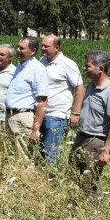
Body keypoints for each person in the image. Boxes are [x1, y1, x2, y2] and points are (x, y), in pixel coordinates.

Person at [70, 50, 110, 199]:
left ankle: (92, 210)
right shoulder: (90, 86)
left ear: (100, 68)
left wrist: (105, 151)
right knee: (72, 174)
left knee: (89, 182)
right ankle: (74, 206)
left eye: (88, 66)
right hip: (81, 136)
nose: (84, 68)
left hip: (95, 141)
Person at [39, 34, 85, 164]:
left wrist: (76, 113)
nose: (43, 48)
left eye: (46, 46)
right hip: (41, 113)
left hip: (56, 115)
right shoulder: (42, 61)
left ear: (57, 48)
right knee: (39, 151)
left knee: (50, 154)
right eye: (42, 45)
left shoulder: (68, 64)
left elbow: (80, 88)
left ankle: (50, 175)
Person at [5, 36, 48, 155]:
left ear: (33, 51)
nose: (18, 50)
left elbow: (43, 101)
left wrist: (35, 129)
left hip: (22, 119)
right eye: (18, 47)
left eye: (22, 48)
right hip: (10, 116)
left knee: (24, 157)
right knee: (12, 156)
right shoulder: (20, 66)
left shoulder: (37, 68)